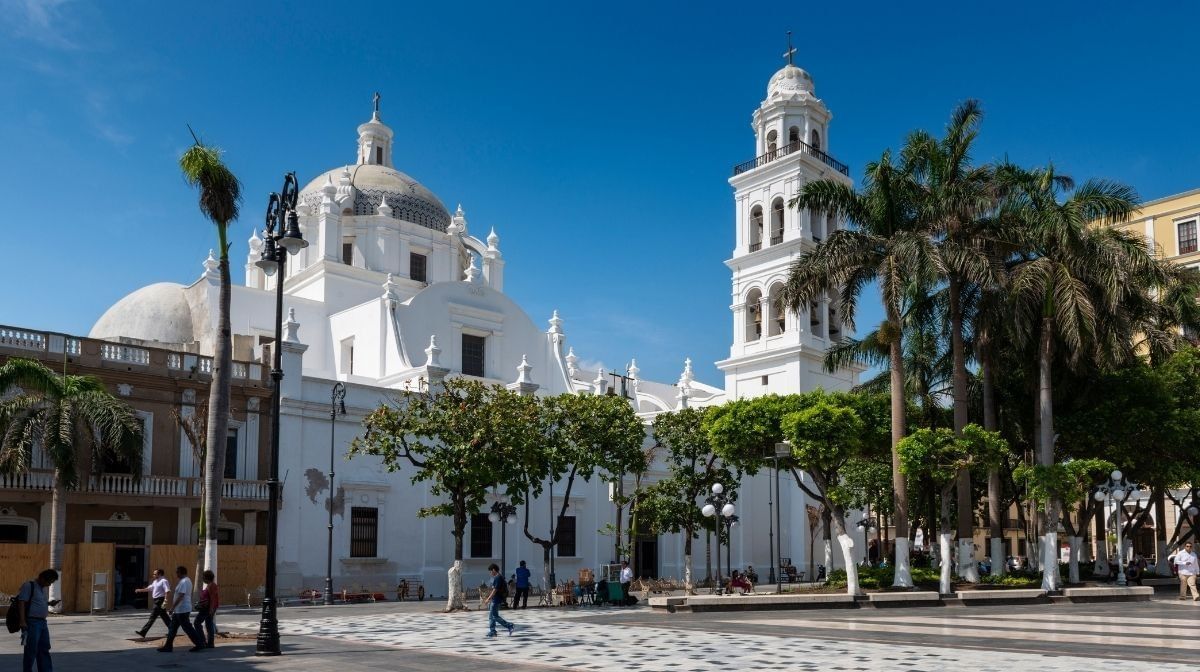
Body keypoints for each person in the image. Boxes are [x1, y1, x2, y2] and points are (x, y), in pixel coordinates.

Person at [17, 569, 59, 672]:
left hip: (43, 623)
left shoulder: (43, 588)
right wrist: (22, 621)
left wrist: (49, 604)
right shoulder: (28, 585)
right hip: (32, 622)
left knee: (44, 648)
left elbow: (39, 602)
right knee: (31, 650)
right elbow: (21, 602)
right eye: (49, 582)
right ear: (42, 578)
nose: (49, 585)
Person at [158, 566, 205, 653]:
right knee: (173, 628)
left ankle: (199, 644)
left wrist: (172, 607)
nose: (176, 574)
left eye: (177, 572)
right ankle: (168, 646)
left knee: (187, 628)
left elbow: (181, 596)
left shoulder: (184, 582)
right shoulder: (187, 580)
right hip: (179, 610)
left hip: (182, 609)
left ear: (180, 572)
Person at [135, 568, 171, 638]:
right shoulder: (155, 581)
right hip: (156, 600)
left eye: (155, 574)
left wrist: (165, 601)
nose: (153, 575)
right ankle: (172, 630)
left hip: (160, 601)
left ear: (159, 574)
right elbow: (149, 589)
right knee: (165, 617)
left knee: (152, 617)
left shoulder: (164, 581)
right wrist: (140, 590)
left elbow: (167, 591)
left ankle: (143, 632)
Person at [484, 563, 515, 638]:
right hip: (495, 599)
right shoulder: (499, 577)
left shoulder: (497, 578)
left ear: (494, 570)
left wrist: (488, 599)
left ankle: (509, 625)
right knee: (491, 616)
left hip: (496, 599)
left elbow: (495, 590)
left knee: (495, 616)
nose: (490, 573)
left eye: (490, 571)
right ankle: (493, 631)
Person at [193, 570, 219, 648]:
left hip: (207, 609)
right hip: (207, 608)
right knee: (208, 624)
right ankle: (209, 643)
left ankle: (203, 641)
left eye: (203, 577)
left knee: (197, 623)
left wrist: (211, 609)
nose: (202, 579)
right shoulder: (209, 585)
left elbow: (213, 598)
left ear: (207, 577)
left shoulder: (212, 585)